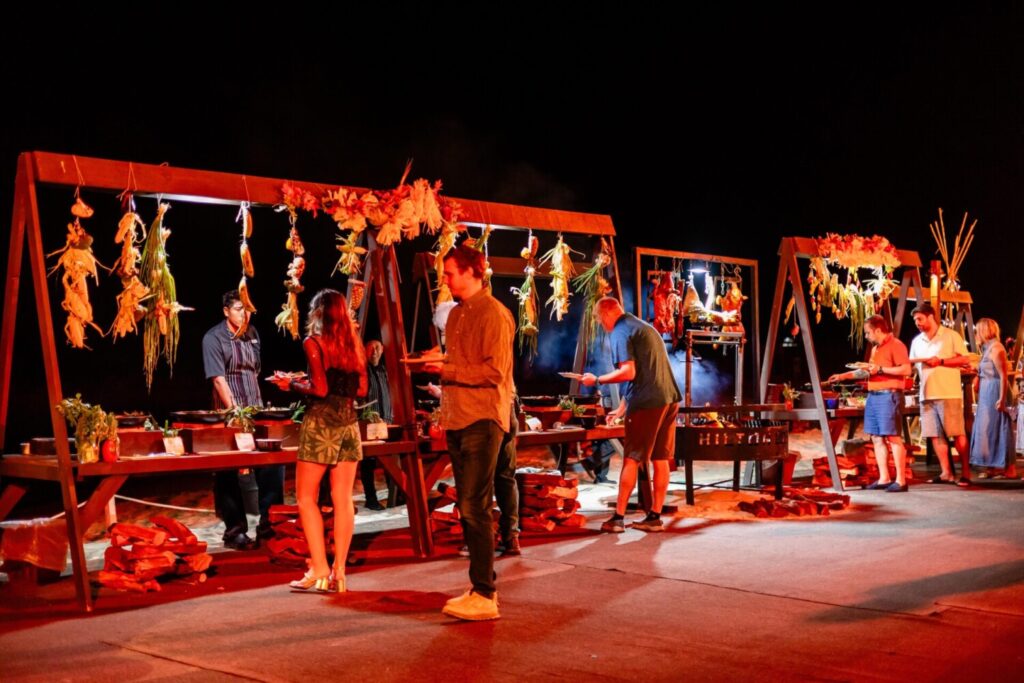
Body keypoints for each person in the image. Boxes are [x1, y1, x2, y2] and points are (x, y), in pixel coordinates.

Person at [426, 243, 515, 621]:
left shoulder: (493, 314)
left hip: (483, 419)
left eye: (449, 273)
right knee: (468, 506)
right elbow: (460, 362)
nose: (445, 280)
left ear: (470, 271)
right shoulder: (458, 315)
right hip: (458, 418)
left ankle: (485, 593)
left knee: (473, 506)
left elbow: (494, 372)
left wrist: (446, 371)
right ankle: (481, 583)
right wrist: (435, 362)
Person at [270, 289, 367, 592]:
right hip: (349, 425)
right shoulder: (354, 343)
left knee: (306, 499)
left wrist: (292, 384)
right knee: (343, 499)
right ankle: (339, 570)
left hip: (321, 426)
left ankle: (320, 568)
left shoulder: (314, 343)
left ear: (318, 313)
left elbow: (321, 389)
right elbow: (361, 389)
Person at [581, 296, 682, 533]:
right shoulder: (644, 327)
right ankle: (655, 516)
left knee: (632, 458)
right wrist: (622, 407)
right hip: (669, 399)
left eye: (598, 320)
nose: (601, 325)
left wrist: (596, 379)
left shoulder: (619, 331)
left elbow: (628, 372)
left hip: (647, 403)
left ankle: (618, 518)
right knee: (660, 458)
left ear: (606, 314)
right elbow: (647, 372)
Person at [202, 290, 284, 550]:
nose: (245, 314)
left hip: (256, 409)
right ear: (226, 311)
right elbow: (218, 378)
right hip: (229, 414)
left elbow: (255, 372)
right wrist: (236, 414)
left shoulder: (253, 334)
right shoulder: (213, 338)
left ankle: (269, 525)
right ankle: (235, 531)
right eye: (239, 309)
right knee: (228, 471)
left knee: (272, 464)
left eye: (248, 309)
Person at [828, 315, 912, 491]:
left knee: (893, 437)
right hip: (874, 395)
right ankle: (884, 478)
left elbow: (906, 369)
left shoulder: (896, 345)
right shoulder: (876, 349)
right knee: (876, 437)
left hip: (889, 395)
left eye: (868, 333)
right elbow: (868, 371)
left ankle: (901, 480)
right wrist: (843, 376)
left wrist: (880, 369)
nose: (866, 337)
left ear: (878, 330)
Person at [908, 302, 972, 486]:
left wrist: (941, 361)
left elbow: (964, 358)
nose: (917, 323)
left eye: (920, 319)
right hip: (926, 394)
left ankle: (966, 473)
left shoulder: (950, 335)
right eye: (915, 320)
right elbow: (912, 364)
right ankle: (946, 473)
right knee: (935, 435)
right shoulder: (916, 341)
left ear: (930, 316)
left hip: (948, 392)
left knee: (957, 433)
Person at [969, 318, 1018, 478]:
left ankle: (1009, 468)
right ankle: (992, 466)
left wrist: (1002, 399)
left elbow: (1003, 376)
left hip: (996, 391)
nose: (976, 334)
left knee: (1001, 428)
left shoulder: (997, 348)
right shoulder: (987, 348)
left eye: (977, 331)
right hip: (987, 392)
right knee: (989, 430)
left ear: (984, 331)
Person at [359, 339, 398, 510]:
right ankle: (371, 498)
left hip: (387, 422)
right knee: (369, 463)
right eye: (370, 348)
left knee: (391, 461)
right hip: (369, 424)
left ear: (382, 350)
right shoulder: (362, 372)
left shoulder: (386, 371)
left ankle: (395, 495)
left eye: (377, 348)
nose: (374, 352)